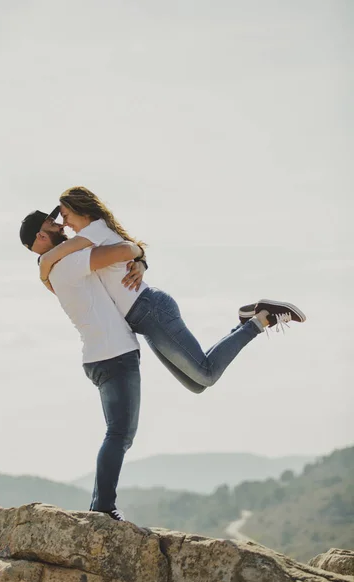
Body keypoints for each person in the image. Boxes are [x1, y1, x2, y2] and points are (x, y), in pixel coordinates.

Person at [38, 186, 306, 395]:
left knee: (207, 374)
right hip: (144, 319)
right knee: (197, 383)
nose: (66, 223)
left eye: (66, 215)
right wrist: (141, 260)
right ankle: (247, 319)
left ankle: (262, 317)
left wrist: (43, 263)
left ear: (82, 210)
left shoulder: (94, 230)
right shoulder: (91, 237)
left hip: (150, 310)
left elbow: (59, 253)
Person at [20, 208, 147, 521]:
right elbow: (122, 251)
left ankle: (98, 506)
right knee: (119, 434)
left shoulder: (51, 269)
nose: (61, 225)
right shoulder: (68, 262)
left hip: (96, 356)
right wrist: (139, 254)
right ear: (41, 236)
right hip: (114, 354)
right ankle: (103, 507)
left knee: (115, 433)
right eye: (53, 224)